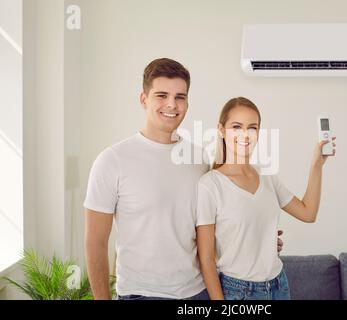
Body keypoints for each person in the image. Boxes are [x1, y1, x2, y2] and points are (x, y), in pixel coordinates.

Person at [83, 59, 284, 300]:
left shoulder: (198, 157)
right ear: (143, 99)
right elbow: (95, 243)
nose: (171, 104)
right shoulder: (112, 161)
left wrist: (257, 237)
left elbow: (212, 227)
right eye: (161, 95)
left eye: (180, 97)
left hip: (198, 292)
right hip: (143, 294)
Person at [196, 97, 336, 300]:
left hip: (279, 285)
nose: (245, 134)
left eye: (252, 127)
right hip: (238, 291)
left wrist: (317, 165)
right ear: (221, 129)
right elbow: (206, 259)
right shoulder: (210, 185)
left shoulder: (267, 176)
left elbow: (308, 213)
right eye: (237, 126)